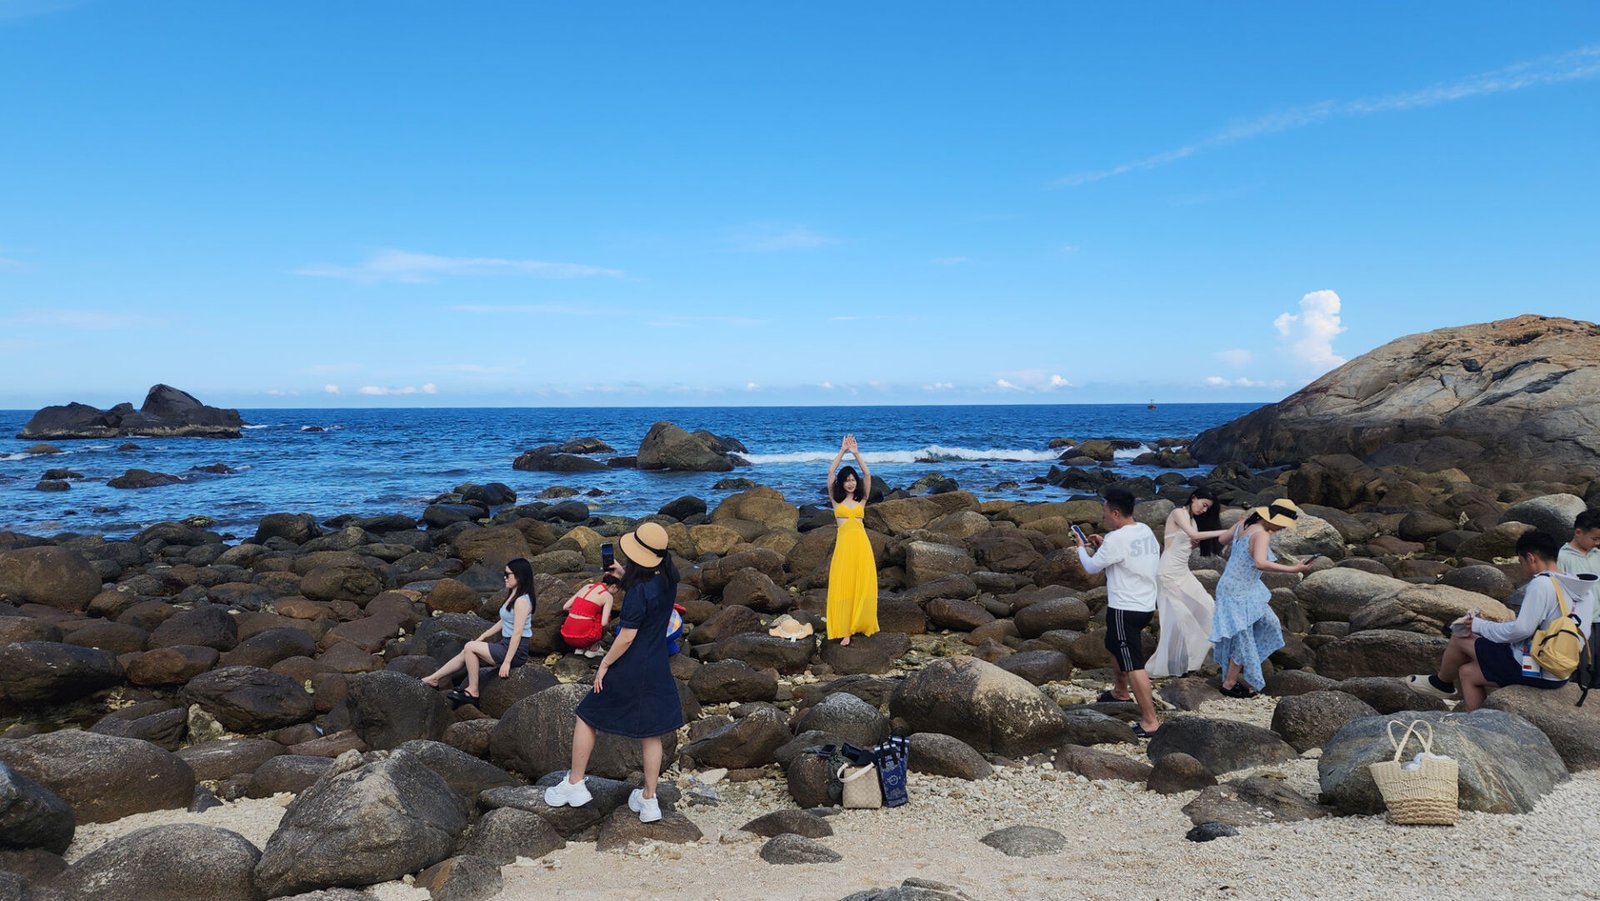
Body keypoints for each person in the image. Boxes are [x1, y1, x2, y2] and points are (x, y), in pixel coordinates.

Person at [544, 522, 684, 823]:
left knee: (587, 715)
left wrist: (605, 664)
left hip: (631, 665)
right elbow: (649, 595)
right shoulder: (668, 578)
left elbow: (627, 637)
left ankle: (575, 784)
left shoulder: (638, 593)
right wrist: (624, 577)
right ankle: (649, 800)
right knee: (651, 733)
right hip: (657, 663)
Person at [1408, 530, 1597, 710]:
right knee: (1468, 672)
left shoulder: (1542, 583)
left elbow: (1521, 630)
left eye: (1521, 561)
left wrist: (1479, 625)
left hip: (1537, 668)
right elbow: (1584, 633)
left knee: (1460, 638)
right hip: (1561, 672)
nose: (1522, 567)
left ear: (1531, 558)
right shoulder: (1583, 590)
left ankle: (1441, 683)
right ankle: (1479, 726)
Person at [1075, 486, 1164, 737]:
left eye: (1104, 512)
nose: (1102, 516)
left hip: (1126, 608)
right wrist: (1103, 545)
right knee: (1112, 643)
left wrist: (1080, 548)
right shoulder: (1144, 531)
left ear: (1115, 513)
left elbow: (1092, 568)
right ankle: (1120, 692)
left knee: (1133, 662)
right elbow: (1128, 556)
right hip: (1145, 605)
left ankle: (1150, 721)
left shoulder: (1117, 539)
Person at [1211, 500, 1316, 699]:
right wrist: (1294, 569)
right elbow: (1260, 563)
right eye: (1282, 524)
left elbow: (1223, 539)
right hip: (1238, 591)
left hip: (1240, 587)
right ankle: (1229, 683)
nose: (1283, 528)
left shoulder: (1244, 523)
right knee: (1244, 637)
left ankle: (1245, 667)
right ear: (1273, 519)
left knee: (1271, 624)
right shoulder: (1260, 534)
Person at [421, 557, 534, 706]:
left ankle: (473, 691)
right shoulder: (514, 595)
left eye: (508, 574)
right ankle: (434, 678)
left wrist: (507, 662)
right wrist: (484, 635)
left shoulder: (522, 601)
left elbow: (517, 633)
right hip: (506, 645)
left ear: (520, 576)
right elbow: (505, 621)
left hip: (516, 651)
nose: (504, 578)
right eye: (504, 574)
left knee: (470, 647)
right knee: (466, 651)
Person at [1147, 486, 1233, 678]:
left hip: (1183, 572)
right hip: (1168, 572)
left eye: (1207, 509)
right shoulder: (1179, 512)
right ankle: (1180, 664)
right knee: (1181, 618)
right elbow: (1193, 536)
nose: (1203, 510)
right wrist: (1226, 530)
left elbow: (1191, 540)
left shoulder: (1193, 520)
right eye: (1203, 505)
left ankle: (1194, 659)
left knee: (1208, 605)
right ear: (1193, 498)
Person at [826, 434, 878, 647]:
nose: (850, 483)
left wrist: (856, 453)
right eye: (847, 480)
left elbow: (867, 473)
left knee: (862, 583)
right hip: (844, 546)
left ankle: (860, 624)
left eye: (852, 480)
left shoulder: (862, 499)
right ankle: (844, 629)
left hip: (861, 545)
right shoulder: (835, 499)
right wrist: (842, 451)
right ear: (842, 482)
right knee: (842, 584)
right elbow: (830, 473)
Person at [560, 576, 617, 658]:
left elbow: (565, 607)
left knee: (587, 617)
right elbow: (604, 623)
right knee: (603, 617)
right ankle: (593, 648)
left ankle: (580, 648)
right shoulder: (608, 596)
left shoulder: (587, 586)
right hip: (585, 638)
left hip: (567, 636)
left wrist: (580, 612)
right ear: (614, 586)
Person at [1559, 509, 1600, 579]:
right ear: (1578, 532)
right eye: (1594, 539)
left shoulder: (1598, 554)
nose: (1598, 543)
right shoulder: (1562, 557)